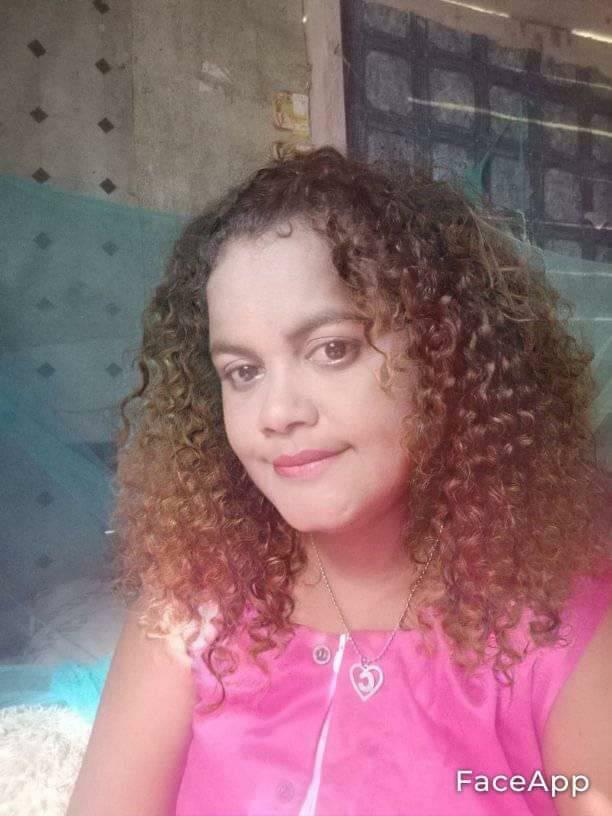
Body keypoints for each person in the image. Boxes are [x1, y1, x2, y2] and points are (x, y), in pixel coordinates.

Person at [66, 146, 612, 816]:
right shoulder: (191, 610)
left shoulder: (560, 629)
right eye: (243, 371)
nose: (277, 413)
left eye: (332, 350)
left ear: (445, 356)